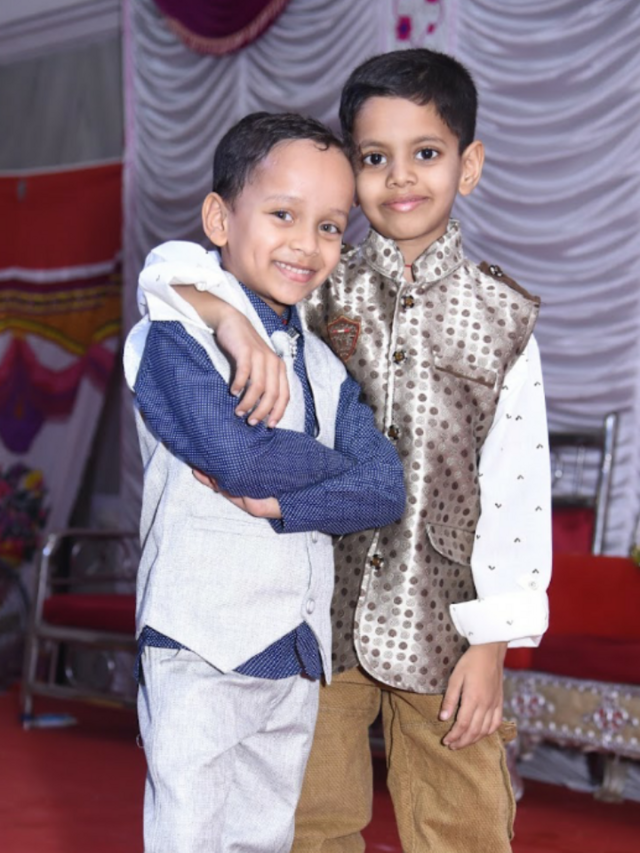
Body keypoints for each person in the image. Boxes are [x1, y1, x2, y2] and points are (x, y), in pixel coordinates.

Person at [169, 49, 552, 853]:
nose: (400, 176)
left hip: (447, 622)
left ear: (469, 164)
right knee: (310, 818)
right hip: (316, 608)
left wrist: (492, 642)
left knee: (464, 823)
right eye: (375, 157)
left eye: (426, 152)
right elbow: (178, 276)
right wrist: (230, 318)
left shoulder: (504, 316)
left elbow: (517, 487)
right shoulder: (311, 283)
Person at [122, 111, 406, 853]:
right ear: (220, 219)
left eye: (330, 226)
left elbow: (386, 488)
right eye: (283, 214)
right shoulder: (174, 336)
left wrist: (284, 499)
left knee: (266, 839)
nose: (307, 243)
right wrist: (335, 471)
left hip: (294, 648)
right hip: (198, 643)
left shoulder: (326, 365)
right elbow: (239, 459)